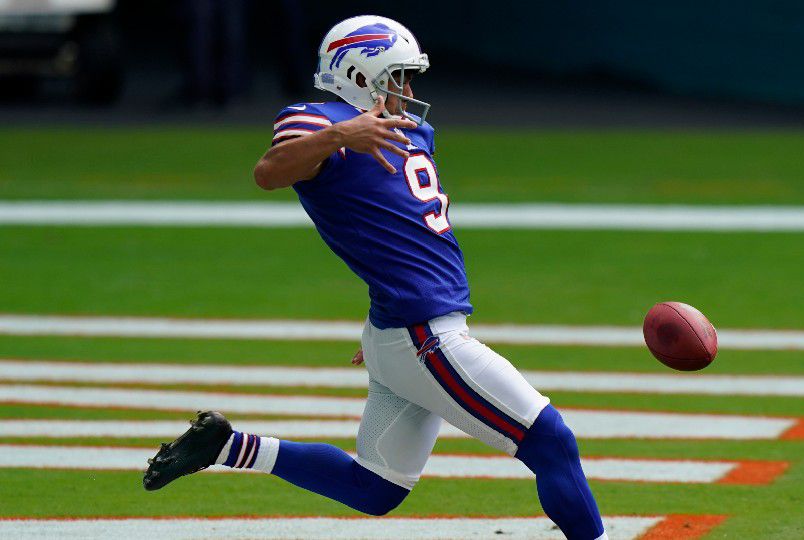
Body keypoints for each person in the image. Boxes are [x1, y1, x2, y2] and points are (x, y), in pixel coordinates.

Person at [143, 15, 607, 540]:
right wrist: (343, 133)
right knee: (551, 442)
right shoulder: (315, 121)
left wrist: (387, 320)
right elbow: (269, 172)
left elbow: (396, 231)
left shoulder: (414, 131)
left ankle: (223, 446)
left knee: (376, 488)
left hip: (406, 327)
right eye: (398, 77)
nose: (408, 91)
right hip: (423, 333)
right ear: (361, 75)